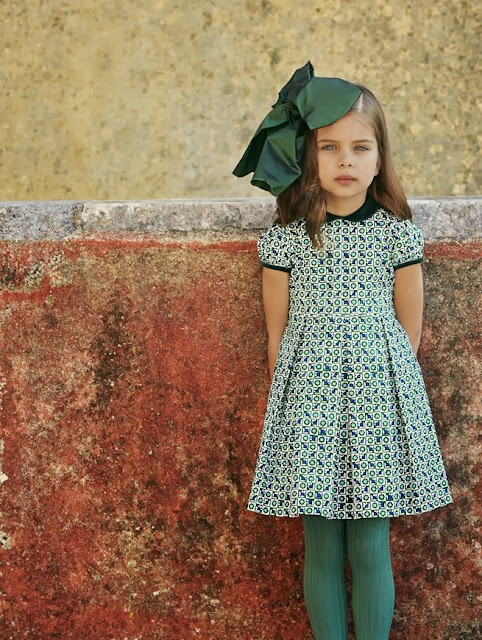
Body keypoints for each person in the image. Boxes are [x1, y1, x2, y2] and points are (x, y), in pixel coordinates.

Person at [232, 62, 453, 640]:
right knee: (322, 543)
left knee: (371, 542)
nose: (345, 161)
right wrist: (294, 401)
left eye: (360, 147)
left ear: (380, 158)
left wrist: (387, 388)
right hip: (308, 399)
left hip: (378, 397)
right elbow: (277, 334)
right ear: (307, 156)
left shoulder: (396, 233)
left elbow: (408, 328)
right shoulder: (286, 238)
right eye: (329, 148)